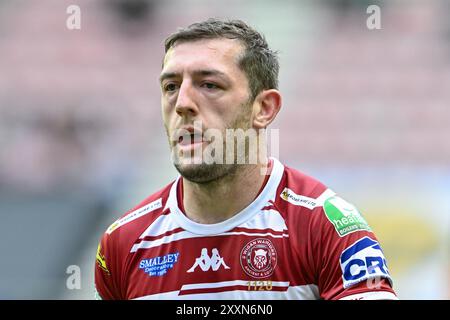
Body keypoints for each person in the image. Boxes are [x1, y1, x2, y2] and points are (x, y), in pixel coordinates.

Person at [94, 18, 397, 300]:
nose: (182, 103)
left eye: (209, 85)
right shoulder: (123, 243)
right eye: (171, 87)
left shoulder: (325, 227)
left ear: (264, 107)